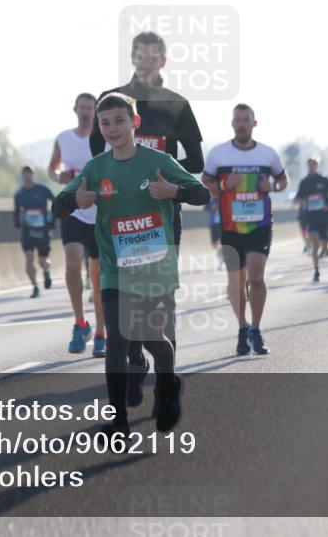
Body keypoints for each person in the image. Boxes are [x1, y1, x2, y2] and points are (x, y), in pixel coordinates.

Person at [53, 92, 209, 437]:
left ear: (134, 123)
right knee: (118, 340)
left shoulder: (158, 161)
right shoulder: (96, 168)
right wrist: (71, 200)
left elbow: (202, 194)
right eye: (105, 123)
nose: (112, 129)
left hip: (154, 267)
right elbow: (58, 206)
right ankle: (119, 421)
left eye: (119, 121)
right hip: (114, 268)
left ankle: (168, 384)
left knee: (152, 339)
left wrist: (174, 192)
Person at [89, 31, 204, 406]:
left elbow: (198, 163)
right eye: (139, 55)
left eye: (153, 56)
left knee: (160, 296)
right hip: (119, 218)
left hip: (161, 213)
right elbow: (95, 155)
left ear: (163, 61)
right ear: (132, 58)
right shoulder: (114, 100)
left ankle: (165, 375)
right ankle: (135, 359)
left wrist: (165, 178)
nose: (146, 61)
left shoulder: (177, 103)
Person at [203, 104, 288, 355]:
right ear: (232, 124)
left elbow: (283, 180)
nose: (241, 124)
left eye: (245, 120)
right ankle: (242, 326)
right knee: (236, 282)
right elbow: (205, 183)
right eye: (237, 120)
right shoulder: (218, 154)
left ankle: (256, 329)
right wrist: (223, 183)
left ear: (254, 124)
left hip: (259, 224)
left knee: (257, 277)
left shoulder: (268, 154)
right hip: (230, 226)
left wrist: (271, 185)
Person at [48, 94, 105, 356]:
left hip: (100, 212)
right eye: (82, 107)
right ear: (75, 110)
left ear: (95, 111)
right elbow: (52, 170)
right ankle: (80, 323)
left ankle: (101, 333)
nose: (85, 112)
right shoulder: (64, 138)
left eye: (90, 108)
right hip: (73, 208)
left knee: (98, 277)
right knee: (72, 262)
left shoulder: (105, 138)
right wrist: (60, 176)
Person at [14, 166, 55, 299]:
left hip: (42, 230)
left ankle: (46, 271)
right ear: (22, 176)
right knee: (29, 258)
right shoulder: (19, 194)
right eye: (24, 174)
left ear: (33, 175)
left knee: (42, 261)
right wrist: (17, 221)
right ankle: (35, 285)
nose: (26, 176)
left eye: (29, 173)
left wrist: (52, 219)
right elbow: (16, 211)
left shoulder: (42, 190)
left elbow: (56, 202)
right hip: (28, 231)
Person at [295, 157, 328, 283]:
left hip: (323, 217)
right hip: (310, 217)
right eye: (310, 164)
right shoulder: (304, 182)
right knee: (315, 244)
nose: (312, 166)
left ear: (317, 165)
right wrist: (299, 200)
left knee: (324, 245)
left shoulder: (323, 180)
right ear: (307, 166)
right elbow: (298, 197)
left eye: (314, 164)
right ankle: (316, 270)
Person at [207, 197, 224, 269]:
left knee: (220, 243)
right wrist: (212, 207)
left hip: (222, 224)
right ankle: (220, 260)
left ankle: (221, 261)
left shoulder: (223, 199)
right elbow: (206, 209)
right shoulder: (211, 201)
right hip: (213, 225)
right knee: (215, 245)